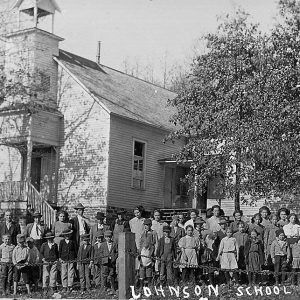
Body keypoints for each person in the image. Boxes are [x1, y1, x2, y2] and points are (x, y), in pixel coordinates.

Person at [99, 230, 118, 295]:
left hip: (112, 262)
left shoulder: (114, 244)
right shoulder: (103, 244)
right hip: (105, 262)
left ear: (111, 237)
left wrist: (113, 258)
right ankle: (105, 287)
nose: (108, 238)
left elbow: (116, 252)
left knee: (112, 275)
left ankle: (113, 288)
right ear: (105, 237)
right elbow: (100, 253)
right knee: (104, 275)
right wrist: (104, 258)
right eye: (107, 237)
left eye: (109, 237)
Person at [59, 229, 76, 293]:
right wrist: (60, 258)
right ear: (64, 236)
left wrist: (75, 258)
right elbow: (60, 250)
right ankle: (64, 286)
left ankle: (70, 286)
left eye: (68, 235)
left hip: (71, 259)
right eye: (66, 235)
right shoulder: (62, 242)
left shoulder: (73, 242)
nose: (67, 236)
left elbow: (75, 250)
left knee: (71, 273)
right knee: (64, 273)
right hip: (64, 259)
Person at [129, 206, 145, 271]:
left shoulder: (144, 220)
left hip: (142, 240)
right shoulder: (131, 221)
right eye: (135, 213)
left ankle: (141, 273)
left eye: (138, 212)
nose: (137, 214)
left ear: (141, 212)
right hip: (134, 240)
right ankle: (135, 272)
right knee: (135, 257)